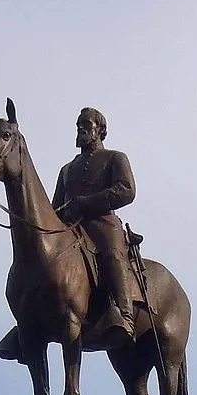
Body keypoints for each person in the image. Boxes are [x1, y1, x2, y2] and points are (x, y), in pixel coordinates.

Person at [53, 108, 137, 341]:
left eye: (86, 124)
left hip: (102, 223)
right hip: (71, 227)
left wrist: (88, 203)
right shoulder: (67, 169)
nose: (80, 128)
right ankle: (28, 320)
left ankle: (125, 315)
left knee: (113, 254)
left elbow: (127, 190)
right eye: (78, 124)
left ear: (100, 130)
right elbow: (55, 208)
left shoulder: (115, 158)